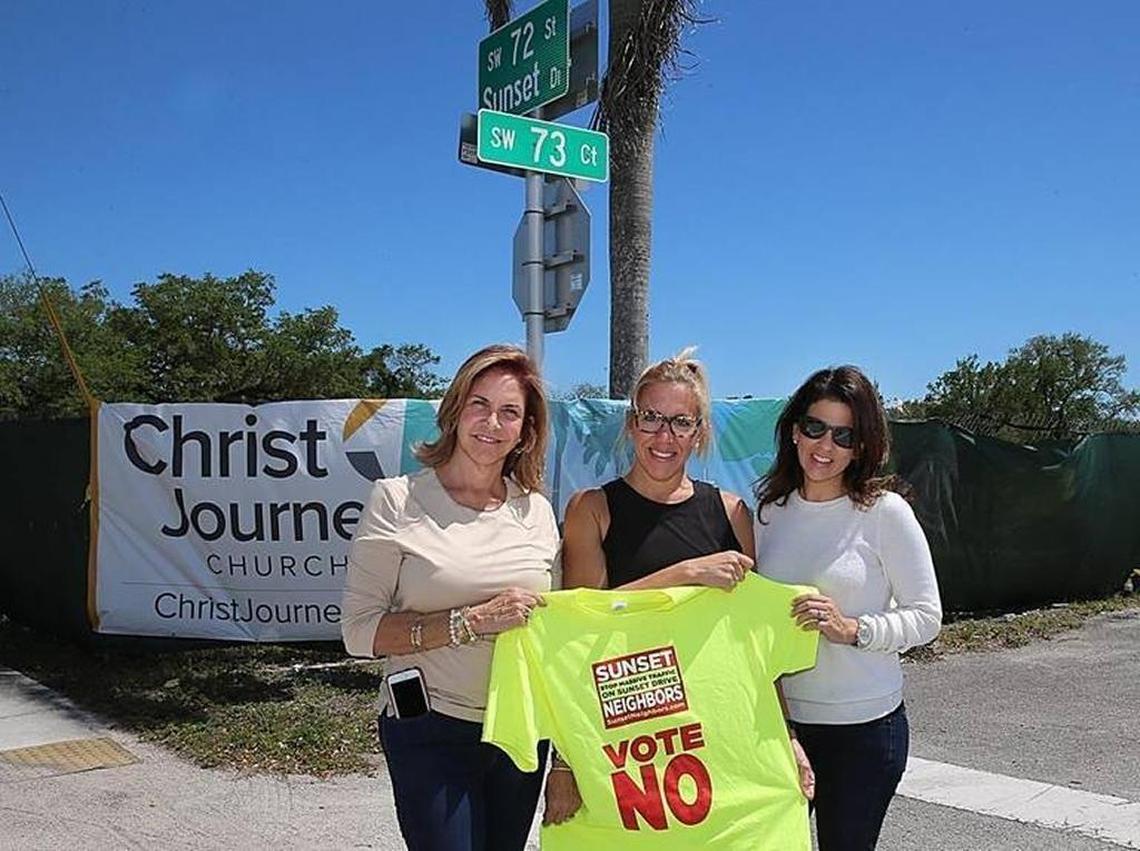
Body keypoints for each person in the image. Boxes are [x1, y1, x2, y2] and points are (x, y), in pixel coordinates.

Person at [544, 347, 814, 825]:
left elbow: (752, 646)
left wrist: (786, 735)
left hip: (716, 731)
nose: (663, 436)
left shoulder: (731, 512)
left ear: (699, 433)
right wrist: (565, 762)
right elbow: (580, 632)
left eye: (680, 422)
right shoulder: (592, 510)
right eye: (651, 418)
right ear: (631, 424)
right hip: (629, 733)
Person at [341, 344, 560, 851]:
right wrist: (471, 620)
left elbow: (559, 631)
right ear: (455, 410)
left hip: (521, 730)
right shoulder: (397, 499)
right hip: (429, 725)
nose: (491, 422)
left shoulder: (538, 513)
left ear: (526, 431)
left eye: (510, 412)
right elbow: (358, 631)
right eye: (479, 404)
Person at [754, 365, 942, 851]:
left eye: (844, 435)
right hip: (778, 728)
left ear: (862, 446)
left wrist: (852, 628)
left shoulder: (884, 512)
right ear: (794, 429)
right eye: (815, 427)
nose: (825, 446)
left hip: (865, 733)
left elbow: (926, 616)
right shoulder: (765, 513)